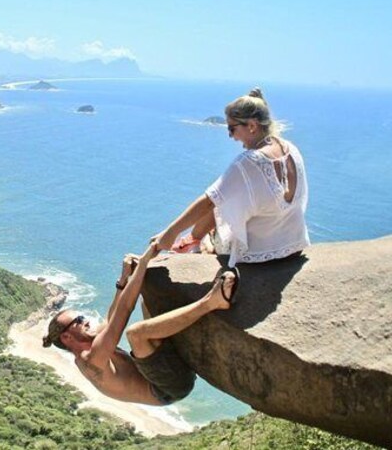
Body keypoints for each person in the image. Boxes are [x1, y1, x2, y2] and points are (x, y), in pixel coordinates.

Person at [42, 244, 238, 406]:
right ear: (67, 337)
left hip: (161, 373)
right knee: (136, 334)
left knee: (150, 304)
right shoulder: (90, 360)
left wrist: (123, 279)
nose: (85, 320)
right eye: (78, 321)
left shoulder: (91, 342)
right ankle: (213, 301)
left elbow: (111, 320)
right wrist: (144, 262)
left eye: (82, 316)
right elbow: (124, 311)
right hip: (167, 389)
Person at [152, 88, 309, 266]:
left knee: (220, 198)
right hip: (292, 245)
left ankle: (197, 244)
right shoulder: (290, 149)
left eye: (232, 128)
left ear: (251, 126)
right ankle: (196, 241)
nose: (230, 136)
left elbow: (209, 201)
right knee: (228, 194)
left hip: (261, 253)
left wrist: (169, 233)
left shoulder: (249, 161)